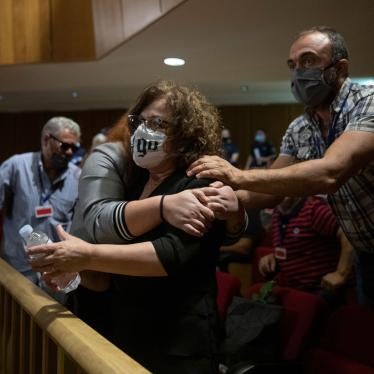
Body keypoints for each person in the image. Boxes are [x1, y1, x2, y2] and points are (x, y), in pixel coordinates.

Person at [29, 81, 245, 374]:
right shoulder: (135, 184)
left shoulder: (201, 182)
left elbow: (166, 256)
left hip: (177, 344)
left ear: (184, 136)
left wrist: (87, 255)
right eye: (141, 121)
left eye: (158, 123)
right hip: (127, 332)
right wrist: (78, 269)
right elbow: (116, 258)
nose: (144, 131)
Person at [187, 26, 374, 305]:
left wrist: (236, 175)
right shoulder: (300, 128)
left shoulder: (368, 103)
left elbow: (331, 172)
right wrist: (208, 197)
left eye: (309, 60)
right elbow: (270, 190)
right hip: (365, 252)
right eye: (293, 64)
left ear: (340, 68)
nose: (299, 71)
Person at [0, 116, 81, 285]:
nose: (69, 152)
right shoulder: (16, 166)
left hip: (56, 273)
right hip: (17, 270)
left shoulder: (78, 177)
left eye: (74, 148)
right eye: (65, 146)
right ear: (46, 139)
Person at [258, 196, 353, 305]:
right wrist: (273, 256)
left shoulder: (314, 209)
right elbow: (296, 246)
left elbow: (349, 235)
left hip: (318, 293)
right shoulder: (277, 213)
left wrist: (340, 273)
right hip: (292, 290)